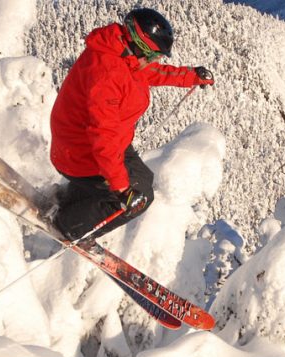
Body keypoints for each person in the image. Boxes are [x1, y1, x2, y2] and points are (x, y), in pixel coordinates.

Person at [49, 8, 215, 241]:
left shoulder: (122, 55)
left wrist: (190, 76)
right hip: (80, 152)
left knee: (142, 180)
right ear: (139, 46)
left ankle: (71, 201)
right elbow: (102, 136)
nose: (155, 60)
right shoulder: (107, 73)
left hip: (93, 143)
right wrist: (121, 190)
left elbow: (151, 72)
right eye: (153, 54)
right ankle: (67, 226)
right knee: (138, 198)